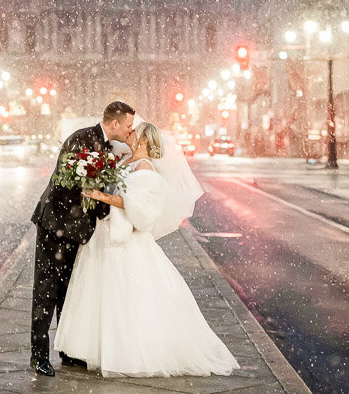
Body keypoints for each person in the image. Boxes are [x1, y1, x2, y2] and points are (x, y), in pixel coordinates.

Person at [54, 122, 239, 377]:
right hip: (108, 234)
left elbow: (139, 210)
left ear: (143, 140)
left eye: (133, 133)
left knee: (128, 297)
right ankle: (102, 349)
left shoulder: (146, 168)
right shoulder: (127, 162)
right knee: (105, 294)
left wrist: (100, 195)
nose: (129, 135)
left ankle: (129, 354)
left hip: (127, 242)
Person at [30, 100, 136, 376]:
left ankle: (67, 350)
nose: (129, 130)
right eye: (127, 125)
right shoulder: (81, 139)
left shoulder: (108, 148)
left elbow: (98, 189)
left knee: (68, 290)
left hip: (75, 230)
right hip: (55, 226)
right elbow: (65, 184)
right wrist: (96, 197)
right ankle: (39, 355)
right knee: (46, 291)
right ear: (114, 123)